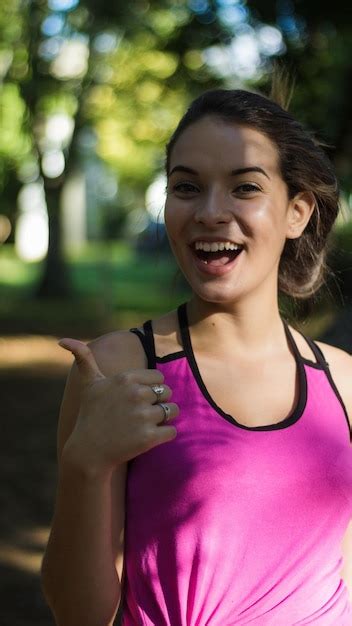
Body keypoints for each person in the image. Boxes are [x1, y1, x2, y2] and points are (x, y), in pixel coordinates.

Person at [41, 86, 352, 626]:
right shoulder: (117, 369)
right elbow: (79, 614)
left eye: (245, 187)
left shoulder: (344, 380)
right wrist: (85, 464)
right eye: (186, 187)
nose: (210, 212)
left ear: (297, 211)